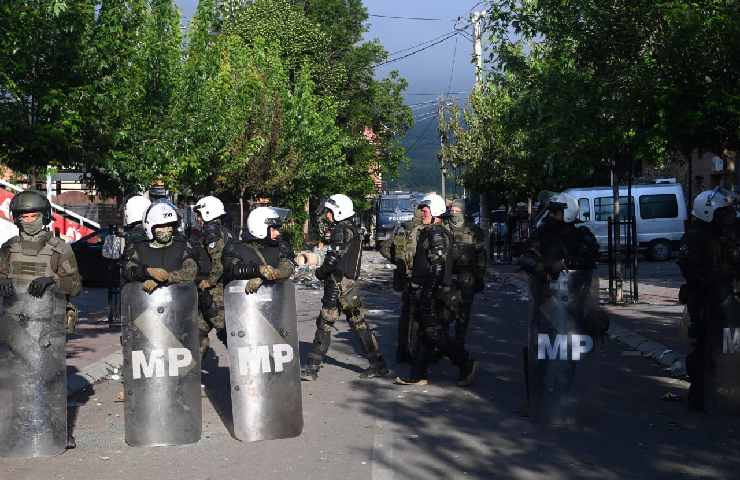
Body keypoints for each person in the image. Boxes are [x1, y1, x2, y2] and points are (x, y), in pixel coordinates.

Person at [0, 190, 82, 449]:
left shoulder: (60, 248)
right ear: (16, 219)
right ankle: (16, 432)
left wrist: (53, 280)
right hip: (15, 324)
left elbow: (76, 285)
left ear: (45, 216)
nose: (29, 220)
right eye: (24, 216)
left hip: (48, 324)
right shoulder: (8, 249)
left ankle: (59, 432)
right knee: (15, 382)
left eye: (34, 215)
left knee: (49, 378)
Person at [302, 194, 389, 381]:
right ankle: (378, 364)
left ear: (338, 211)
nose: (327, 215)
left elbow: (333, 259)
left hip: (338, 282)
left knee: (325, 322)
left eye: (330, 211)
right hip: (348, 283)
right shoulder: (352, 228)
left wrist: (320, 273)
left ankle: (312, 367)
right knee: (358, 323)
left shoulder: (341, 230)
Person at [395, 193, 478, 386]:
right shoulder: (430, 231)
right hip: (428, 291)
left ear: (436, 212)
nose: (422, 213)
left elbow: (438, 266)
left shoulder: (436, 233)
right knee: (427, 334)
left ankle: (465, 363)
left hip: (434, 293)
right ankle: (417, 374)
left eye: (425, 210)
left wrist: (427, 293)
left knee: (434, 333)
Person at [678, 188, 739, 412]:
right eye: (723, 212)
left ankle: (730, 388)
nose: (728, 215)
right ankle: (701, 395)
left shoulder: (727, 234)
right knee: (705, 347)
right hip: (705, 300)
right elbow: (690, 269)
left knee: (733, 342)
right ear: (708, 211)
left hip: (727, 297)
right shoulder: (696, 236)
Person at [445, 199, 487, 368]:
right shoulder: (445, 228)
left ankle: (458, 346)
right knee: (445, 314)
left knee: (463, 317)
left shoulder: (474, 231)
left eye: (457, 210)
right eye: (452, 210)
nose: (454, 213)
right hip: (448, 278)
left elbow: (481, 257)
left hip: (467, 278)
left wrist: (480, 277)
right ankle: (445, 347)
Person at [121, 202, 198, 293]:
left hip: (178, 302)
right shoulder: (139, 247)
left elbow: (191, 271)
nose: (166, 230)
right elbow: (128, 271)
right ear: (150, 227)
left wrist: (167, 278)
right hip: (144, 303)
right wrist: (147, 272)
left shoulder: (181, 246)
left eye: (169, 226)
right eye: (161, 227)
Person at [191, 196, 233, 356]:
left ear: (208, 213)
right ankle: (191, 373)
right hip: (209, 291)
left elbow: (218, 261)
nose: (198, 218)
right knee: (198, 333)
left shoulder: (212, 231)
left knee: (226, 332)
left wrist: (210, 281)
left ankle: (249, 366)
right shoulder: (224, 230)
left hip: (215, 292)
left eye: (200, 214)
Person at [222, 206, 295, 292]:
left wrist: (276, 273)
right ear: (260, 227)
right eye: (274, 229)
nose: (278, 233)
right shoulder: (235, 248)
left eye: (278, 229)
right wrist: (258, 270)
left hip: (276, 302)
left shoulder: (281, 247)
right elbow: (232, 269)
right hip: (243, 303)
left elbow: (287, 265)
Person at [390, 207, 425, 362]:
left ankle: (402, 351)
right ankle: (414, 351)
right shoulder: (423, 230)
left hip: (404, 276)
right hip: (417, 277)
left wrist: (398, 263)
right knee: (418, 316)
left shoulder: (403, 228)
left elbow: (387, 248)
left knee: (405, 316)